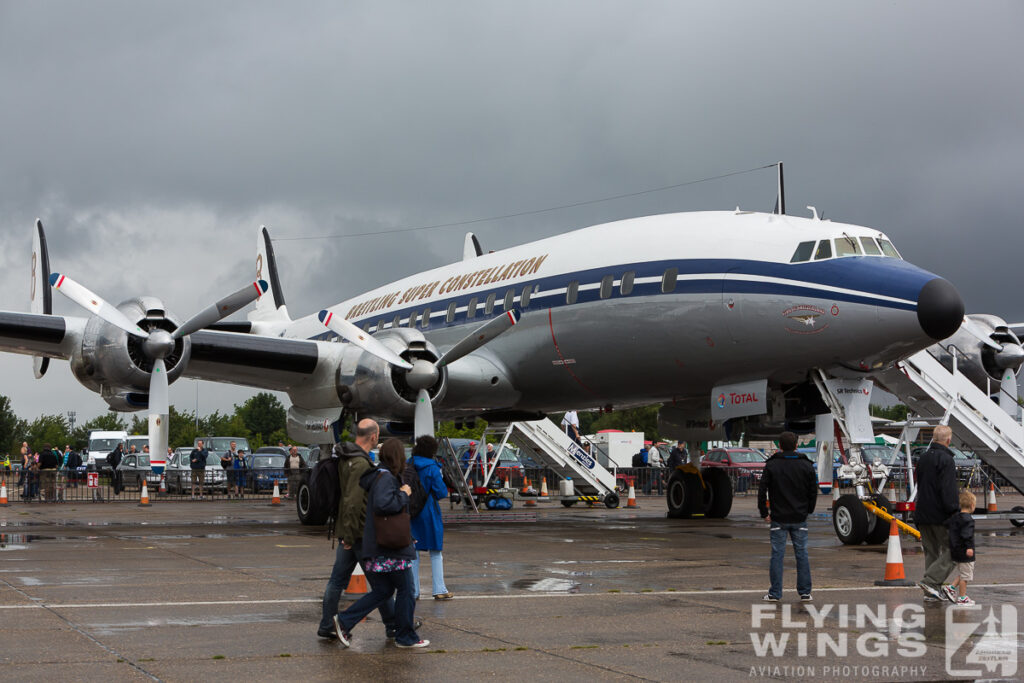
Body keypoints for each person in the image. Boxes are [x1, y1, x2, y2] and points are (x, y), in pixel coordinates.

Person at [334, 438, 428, 649]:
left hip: (380, 545)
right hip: (391, 548)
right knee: (406, 590)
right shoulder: (386, 478)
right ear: (398, 457)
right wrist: (403, 494)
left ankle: (345, 620)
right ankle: (405, 636)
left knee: (384, 590)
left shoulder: (379, 476)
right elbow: (384, 505)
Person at [318, 419, 402, 641]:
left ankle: (327, 624)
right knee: (381, 583)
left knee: (337, 581)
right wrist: (350, 534)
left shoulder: (345, 458)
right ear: (373, 436)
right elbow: (355, 501)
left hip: (347, 529)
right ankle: (393, 625)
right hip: (358, 534)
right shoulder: (361, 464)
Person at [758, 431, 817, 602]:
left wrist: (764, 512)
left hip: (779, 517)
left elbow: (762, 491)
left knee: (777, 554)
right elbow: (813, 491)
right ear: (797, 445)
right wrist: (809, 510)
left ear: (780, 446)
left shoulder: (772, 465)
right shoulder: (806, 465)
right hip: (799, 516)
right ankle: (805, 592)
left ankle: (775, 593)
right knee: (802, 554)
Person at [914, 425, 960, 601]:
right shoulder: (946, 460)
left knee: (931, 552)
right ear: (948, 440)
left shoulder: (923, 458)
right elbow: (948, 489)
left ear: (933, 438)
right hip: (940, 514)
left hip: (922, 512)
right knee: (955, 550)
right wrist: (954, 511)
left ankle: (930, 592)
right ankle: (931, 581)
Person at [406, 435, 453, 600]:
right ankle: (439, 589)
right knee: (435, 551)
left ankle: (413, 591)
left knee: (413, 553)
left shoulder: (409, 463)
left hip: (410, 511)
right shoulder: (432, 467)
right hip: (429, 511)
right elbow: (440, 492)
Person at [943, 490, 977, 605]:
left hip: (955, 550)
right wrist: (969, 548)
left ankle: (951, 588)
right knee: (966, 576)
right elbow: (967, 535)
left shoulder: (955, 518)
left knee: (963, 573)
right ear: (972, 505)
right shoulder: (968, 520)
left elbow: (946, 525)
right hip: (965, 551)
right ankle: (962, 597)